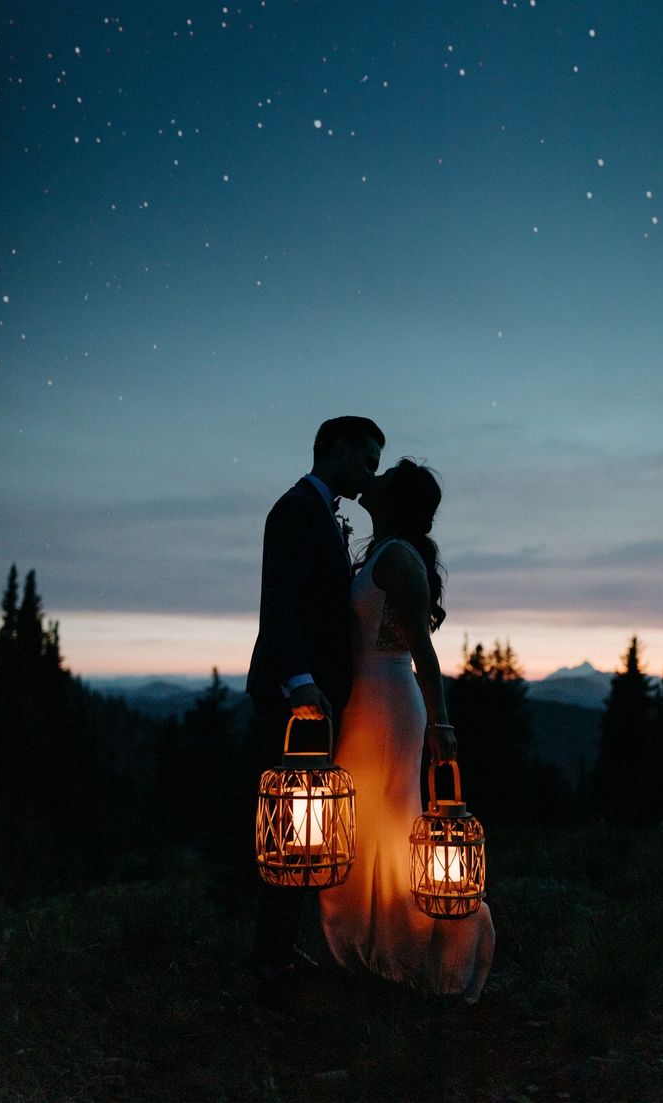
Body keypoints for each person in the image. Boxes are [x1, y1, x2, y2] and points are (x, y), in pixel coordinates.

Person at [320, 458, 495, 1002]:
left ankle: (411, 952)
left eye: (385, 477)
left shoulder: (397, 557)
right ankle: (367, 947)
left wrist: (441, 720)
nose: (372, 480)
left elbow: (423, 648)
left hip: (390, 704)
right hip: (363, 703)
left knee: (389, 824)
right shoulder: (379, 551)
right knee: (362, 826)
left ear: (396, 499)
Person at [246, 415, 385, 978]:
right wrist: (299, 680)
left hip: (314, 694)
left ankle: (278, 953)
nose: (370, 473)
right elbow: (279, 600)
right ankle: (269, 966)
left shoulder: (322, 514)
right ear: (336, 448)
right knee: (285, 831)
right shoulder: (296, 509)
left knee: (305, 834)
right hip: (291, 695)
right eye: (366, 460)